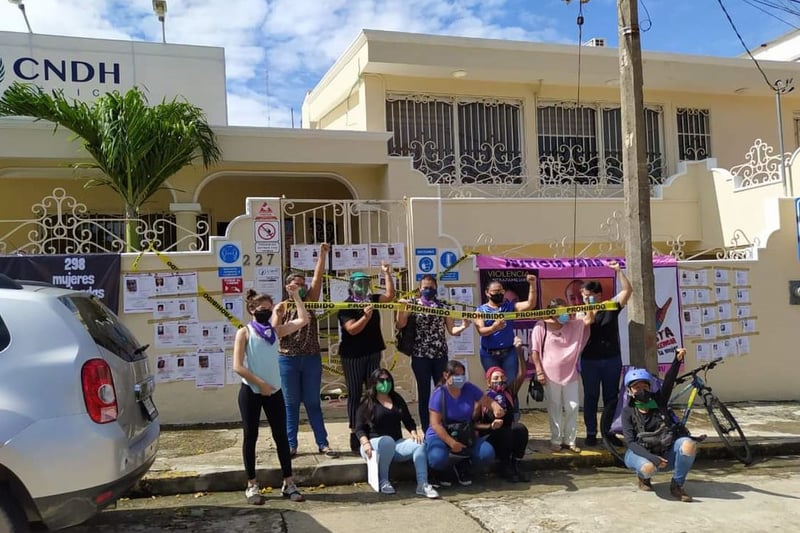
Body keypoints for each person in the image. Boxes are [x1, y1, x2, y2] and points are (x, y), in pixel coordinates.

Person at [232, 286, 307, 505]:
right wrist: (260, 384)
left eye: (270, 309)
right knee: (251, 437)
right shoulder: (244, 332)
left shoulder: (274, 332)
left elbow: (302, 320)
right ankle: (252, 484)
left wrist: (294, 296)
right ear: (252, 309)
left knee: (281, 437)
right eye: (262, 309)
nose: (266, 312)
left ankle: (288, 482)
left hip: (274, 391)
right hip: (251, 391)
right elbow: (238, 366)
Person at [274, 242, 338, 458]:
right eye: (295, 284)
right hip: (288, 360)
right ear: (286, 286)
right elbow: (276, 331)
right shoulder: (281, 306)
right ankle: (290, 445)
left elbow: (318, 278)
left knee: (312, 402)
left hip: (311, 358)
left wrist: (322, 255)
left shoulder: (309, 300)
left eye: (302, 284)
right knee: (290, 404)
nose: (300, 286)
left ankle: (323, 443)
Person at [395, 275, 471, 430]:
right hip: (420, 355)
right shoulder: (413, 304)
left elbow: (452, 330)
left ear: (436, 288)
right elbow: (400, 324)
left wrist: (463, 326)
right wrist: (400, 308)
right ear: (419, 289)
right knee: (424, 393)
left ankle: (442, 425)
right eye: (425, 287)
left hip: (440, 355)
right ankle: (426, 427)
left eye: (431, 287)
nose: (428, 290)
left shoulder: (443, 306)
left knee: (442, 391)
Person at [622, 348, 696, 502]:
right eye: (636, 387)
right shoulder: (628, 411)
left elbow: (669, 381)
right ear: (630, 390)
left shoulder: (658, 401)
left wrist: (677, 360)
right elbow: (630, 442)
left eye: (645, 386)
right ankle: (644, 478)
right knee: (648, 468)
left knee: (688, 445)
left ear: (650, 388)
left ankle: (677, 485)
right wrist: (652, 458)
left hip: (664, 453)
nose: (641, 390)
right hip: (642, 455)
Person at [337, 263, 396, 454]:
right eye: (359, 283)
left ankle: (372, 427)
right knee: (355, 394)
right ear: (351, 285)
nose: (362, 286)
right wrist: (365, 317)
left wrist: (387, 274)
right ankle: (355, 432)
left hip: (373, 352)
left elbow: (390, 297)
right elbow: (352, 329)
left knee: (373, 392)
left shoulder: (373, 299)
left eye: (365, 282)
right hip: (352, 356)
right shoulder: (346, 305)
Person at [355, 368, 439, 499]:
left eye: (388, 380)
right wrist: (365, 443)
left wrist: (414, 432)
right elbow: (359, 428)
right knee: (387, 441)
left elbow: (408, 420)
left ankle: (423, 484)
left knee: (419, 444)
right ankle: (384, 480)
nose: (385, 383)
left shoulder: (396, 398)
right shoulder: (367, 402)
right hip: (372, 445)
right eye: (381, 380)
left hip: (395, 444)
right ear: (374, 383)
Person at [530, 298, 594, 453]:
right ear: (552, 312)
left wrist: (589, 303)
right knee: (555, 407)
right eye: (561, 311)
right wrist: (539, 371)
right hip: (549, 374)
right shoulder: (541, 326)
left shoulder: (573, 325)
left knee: (573, 407)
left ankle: (570, 441)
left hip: (570, 373)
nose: (565, 314)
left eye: (566, 311)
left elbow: (589, 319)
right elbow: (535, 352)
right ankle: (556, 440)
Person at [579, 260, 632, 447]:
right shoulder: (580, 312)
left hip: (611, 359)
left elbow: (627, 291)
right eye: (583, 296)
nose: (585, 299)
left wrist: (619, 271)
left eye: (588, 296)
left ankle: (609, 431)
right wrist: (588, 307)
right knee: (590, 396)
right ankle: (591, 432)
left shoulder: (610, 305)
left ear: (598, 295)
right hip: (589, 361)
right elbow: (588, 323)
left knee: (611, 397)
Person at [426, 360, 502, 487]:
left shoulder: (468, 388)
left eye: (462, 375)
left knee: (486, 453)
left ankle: (464, 465)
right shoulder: (439, 394)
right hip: (441, 434)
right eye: (456, 375)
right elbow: (435, 424)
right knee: (437, 458)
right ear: (446, 375)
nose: (460, 378)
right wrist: (451, 443)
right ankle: (440, 471)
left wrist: (495, 407)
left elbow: (486, 400)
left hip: (464, 432)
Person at [474, 275, 538, 415]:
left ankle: (512, 415)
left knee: (510, 386)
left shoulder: (509, 307)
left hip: (508, 353)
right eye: (495, 292)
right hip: (488, 355)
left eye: (501, 292)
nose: (498, 294)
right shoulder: (481, 310)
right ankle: (493, 415)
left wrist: (532, 285)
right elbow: (481, 331)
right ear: (487, 293)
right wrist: (494, 328)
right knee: (495, 385)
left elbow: (530, 305)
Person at [474, 364, 531, 482]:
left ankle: (516, 464)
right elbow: (473, 424)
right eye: (495, 378)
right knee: (505, 433)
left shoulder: (509, 393)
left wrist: (519, 351)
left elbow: (521, 374)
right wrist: (490, 426)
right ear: (488, 382)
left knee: (520, 429)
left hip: (507, 434)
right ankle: (504, 466)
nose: (499, 381)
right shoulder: (482, 399)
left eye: (502, 378)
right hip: (490, 435)